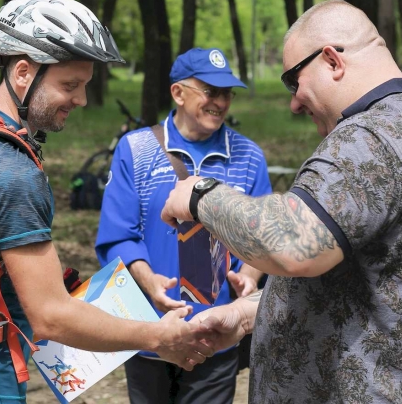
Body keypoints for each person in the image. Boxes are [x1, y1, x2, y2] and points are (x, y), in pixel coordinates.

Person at [0, 0, 214, 404]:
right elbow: (51, 316)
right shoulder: (11, 171)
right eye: (70, 85)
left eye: (85, 85)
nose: (81, 100)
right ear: (23, 72)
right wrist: (158, 337)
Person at [161, 0, 402, 402]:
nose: (295, 102)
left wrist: (199, 194)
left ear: (331, 60)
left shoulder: (372, 136)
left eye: (294, 81)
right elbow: (377, 286)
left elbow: (295, 244)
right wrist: (246, 315)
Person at [95, 47, 272, 403]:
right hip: (149, 329)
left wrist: (250, 276)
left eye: (226, 94)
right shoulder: (136, 148)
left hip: (216, 334)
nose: (220, 102)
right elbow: (117, 236)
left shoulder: (248, 156)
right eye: (210, 91)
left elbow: (264, 236)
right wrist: (149, 281)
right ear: (178, 93)